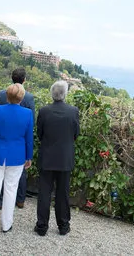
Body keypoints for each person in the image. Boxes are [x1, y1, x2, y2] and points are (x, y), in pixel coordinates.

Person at [0, 83, 33, 235]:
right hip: (17, 156)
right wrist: (29, 156)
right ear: (21, 97)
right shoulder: (27, 113)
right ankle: (6, 224)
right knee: (11, 189)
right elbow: (29, 138)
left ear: (7, 95)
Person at [34, 81, 80, 237]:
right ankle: (63, 225)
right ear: (65, 94)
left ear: (52, 93)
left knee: (44, 193)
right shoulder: (73, 111)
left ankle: (41, 226)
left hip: (47, 157)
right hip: (64, 158)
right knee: (63, 193)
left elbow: (39, 134)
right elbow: (76, 134)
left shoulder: (44, 111)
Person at [0, 67, 35, 209]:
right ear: (24, 80)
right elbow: (32, 122)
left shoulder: (2, 94)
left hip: (2, 138)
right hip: (20, 140)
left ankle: (0, 200)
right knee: (21, 171)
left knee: (1, 170)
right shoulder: (29, 97)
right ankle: (20, 199)